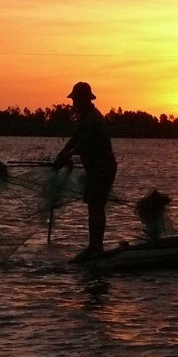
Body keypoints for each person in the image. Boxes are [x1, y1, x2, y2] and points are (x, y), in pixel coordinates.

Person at [54, 82, 117, 260]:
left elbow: (84, 143)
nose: (73, 103)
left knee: (96, 207)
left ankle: (96, 248)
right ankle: (95, 246)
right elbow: (76, 139)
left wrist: (67, 156)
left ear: (84, 99)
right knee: (93, 206)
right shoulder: (85, 117)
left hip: (102, 169)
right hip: (96, 169)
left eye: (75, 99)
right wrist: (62, 153)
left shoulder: (92, 119)